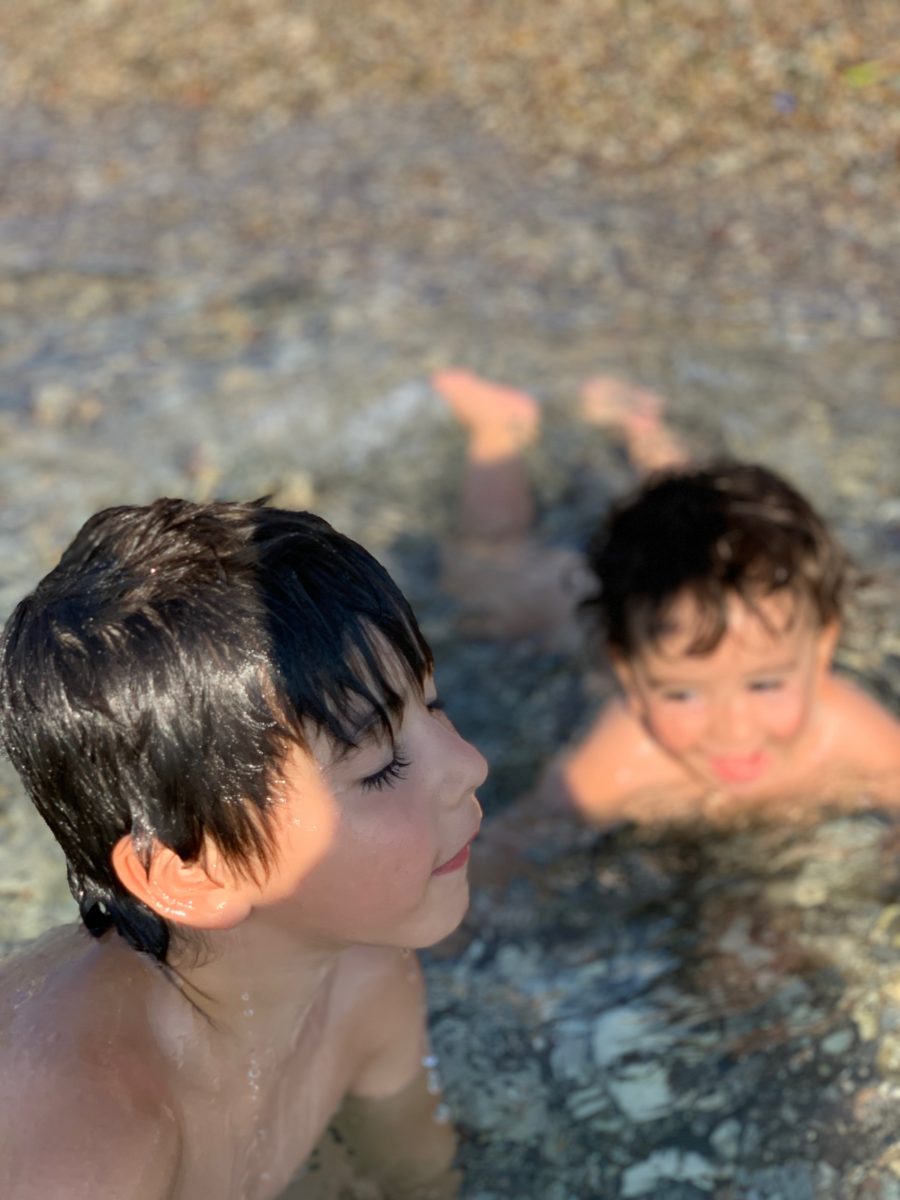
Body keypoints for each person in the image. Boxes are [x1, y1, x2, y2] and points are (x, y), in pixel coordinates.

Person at [0, 498, 487, 1200]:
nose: (469, 765)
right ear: (191, 874)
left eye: (435, 705)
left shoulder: (368, 979)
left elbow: (422, 1181)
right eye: (381, 766)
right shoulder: (85, 1152)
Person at [434, 369, 900, 832]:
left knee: (695, 522)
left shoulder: (847, 733)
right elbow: (511, 848)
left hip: (661, 613)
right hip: (579, 609)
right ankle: (500, 430)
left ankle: (643, 428)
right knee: (482, 577)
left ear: (822, 650)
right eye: (682, 693)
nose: (733, 731)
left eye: (764, 685)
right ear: (628, 672)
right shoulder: (624, 759)